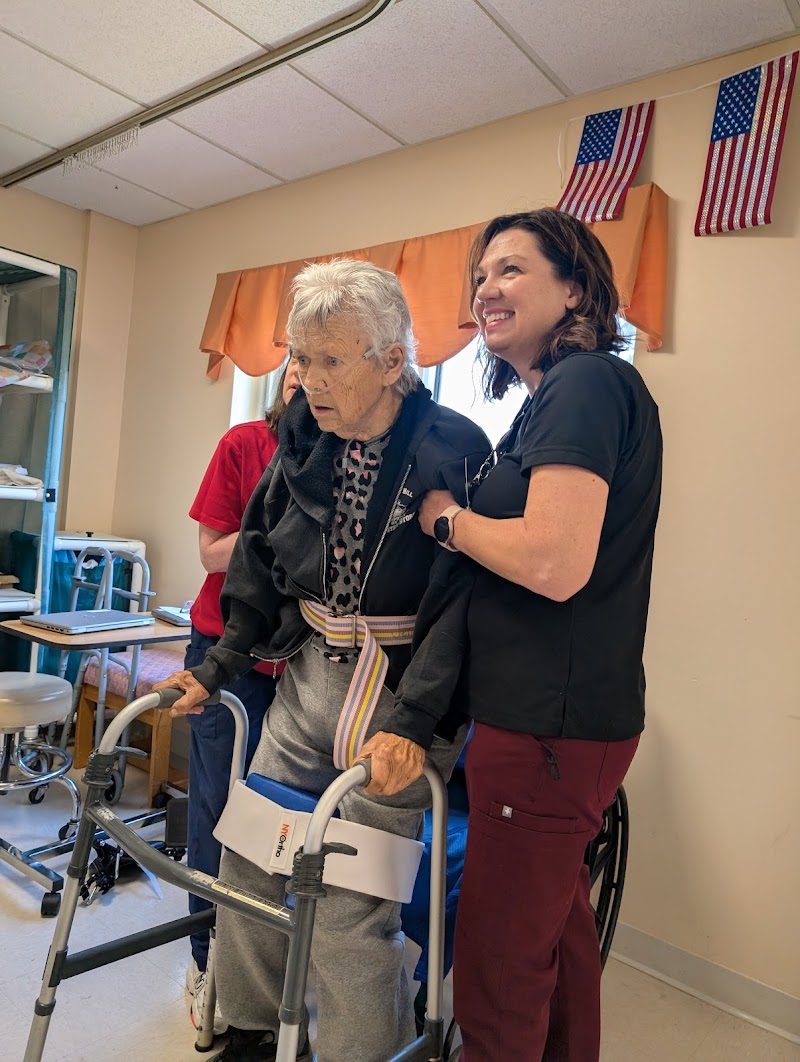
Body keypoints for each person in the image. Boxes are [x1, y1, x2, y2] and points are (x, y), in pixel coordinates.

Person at [156, 258, 491, 1062]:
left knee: (351, 902)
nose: (305, 379)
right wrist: (220, 662)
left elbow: (463, 606)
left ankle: (359, 1053)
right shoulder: (302, 432)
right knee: (248, 861)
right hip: (311, 682)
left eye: (329, 360)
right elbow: (260, 556)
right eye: (300, 359)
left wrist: (415, 722)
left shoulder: (455, 448)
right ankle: (246, 1029)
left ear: (391, 360)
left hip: (405, 694)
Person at [360, 208, 663, 1062]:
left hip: (546, 727)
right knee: (554, 943)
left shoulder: (586, 385)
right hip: (557, 720)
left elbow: (556, 562)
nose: (487, 288)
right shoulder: (544, 405)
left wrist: (447, 520)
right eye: (481, 274)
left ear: (574, 290)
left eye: (512, 271)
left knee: (497, 971)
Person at [183, 359, 300, 1034]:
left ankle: (262, 965)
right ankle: (206, 965)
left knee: (278, 823)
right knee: (218, 812)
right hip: (225, 656)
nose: (309, 385)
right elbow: (210, 553)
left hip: (302, 667)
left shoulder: (346, 461)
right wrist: (282, 539)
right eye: (297, 371)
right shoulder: (244, 446)